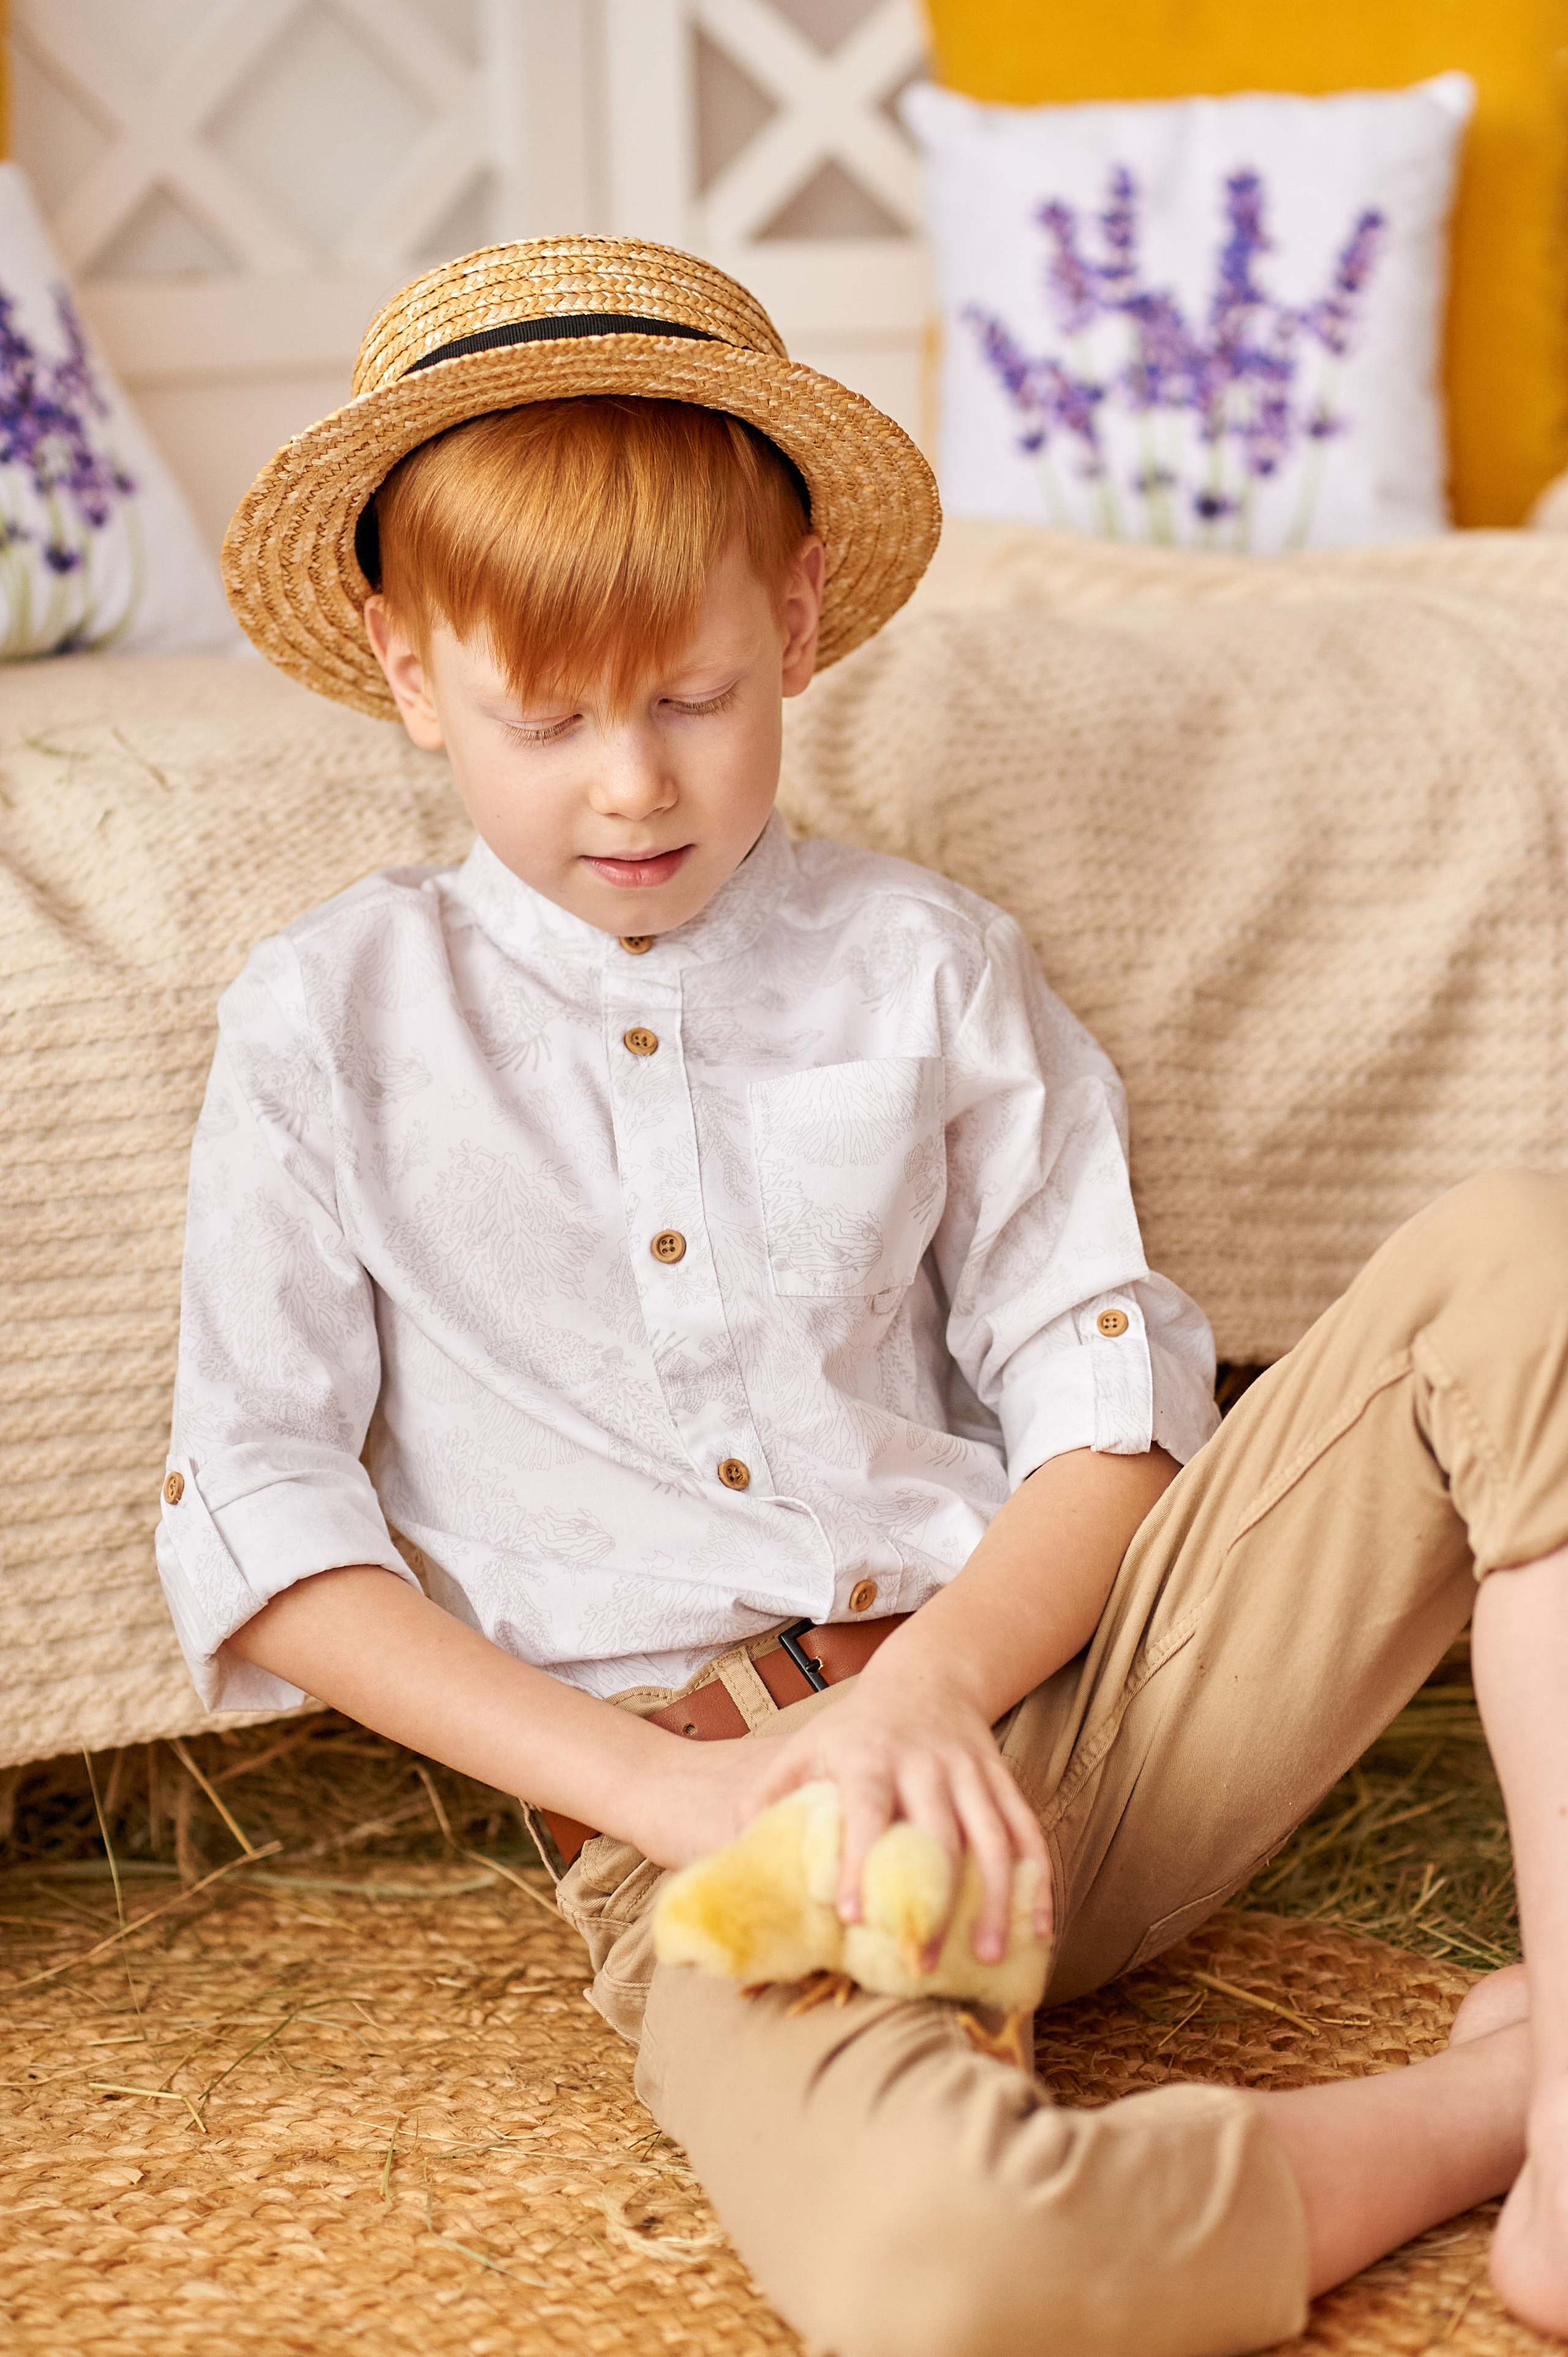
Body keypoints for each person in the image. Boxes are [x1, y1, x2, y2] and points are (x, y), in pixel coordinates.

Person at [159, 235, 1567, 2357]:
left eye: (693, 699)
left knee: (1527, 1262)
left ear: (798, 616)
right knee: (958, 2280)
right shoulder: (323, 1023)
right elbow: (263, 1529)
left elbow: (1104, 1392)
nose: (629, 782)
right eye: (543, 716)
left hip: (1084, 1711)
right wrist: (694, 1795)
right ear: (407, 667)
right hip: (727, 1827)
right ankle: (1496, 2100)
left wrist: (932, 1694)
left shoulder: (929, 967)